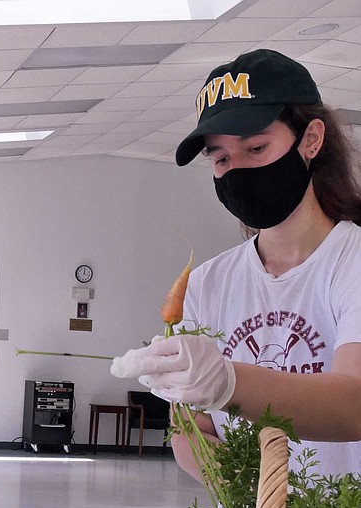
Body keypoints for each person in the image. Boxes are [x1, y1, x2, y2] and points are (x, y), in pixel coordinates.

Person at [111, 48, 361, 480]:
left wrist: (229, 384)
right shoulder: (208, 283)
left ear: (311, 139)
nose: (238, 170)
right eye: (222, 158)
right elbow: (189, 430)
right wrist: (250, 492)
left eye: (257, 147)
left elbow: (353, 405)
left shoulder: (351, 260)